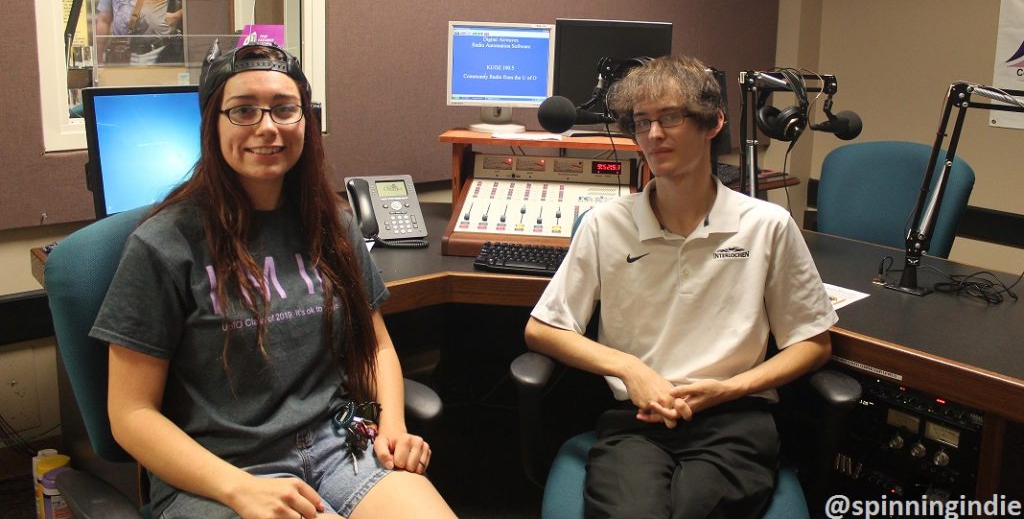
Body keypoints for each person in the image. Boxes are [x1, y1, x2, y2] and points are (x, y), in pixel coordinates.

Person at [90, 43, 456, 519]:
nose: (268, 127)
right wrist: (237, 489)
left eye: (285, 109)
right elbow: (130, 414)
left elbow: (374, 347)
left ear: (306, 119)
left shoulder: (333, 225)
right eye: (243, 110)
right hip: (219, 468)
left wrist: (392, 422)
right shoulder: (163, 245)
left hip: (337, 445)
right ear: (212, 123)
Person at [524, 55, 838, 519]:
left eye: (671, 117)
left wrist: (729, 389)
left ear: (713, 123)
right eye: (642, 122)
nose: (654, 135)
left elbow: (813, 343)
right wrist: (631, 370)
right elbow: (543, 329)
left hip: (736, 421)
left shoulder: (767, 226)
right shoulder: (605, 225)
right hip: (637, 422)